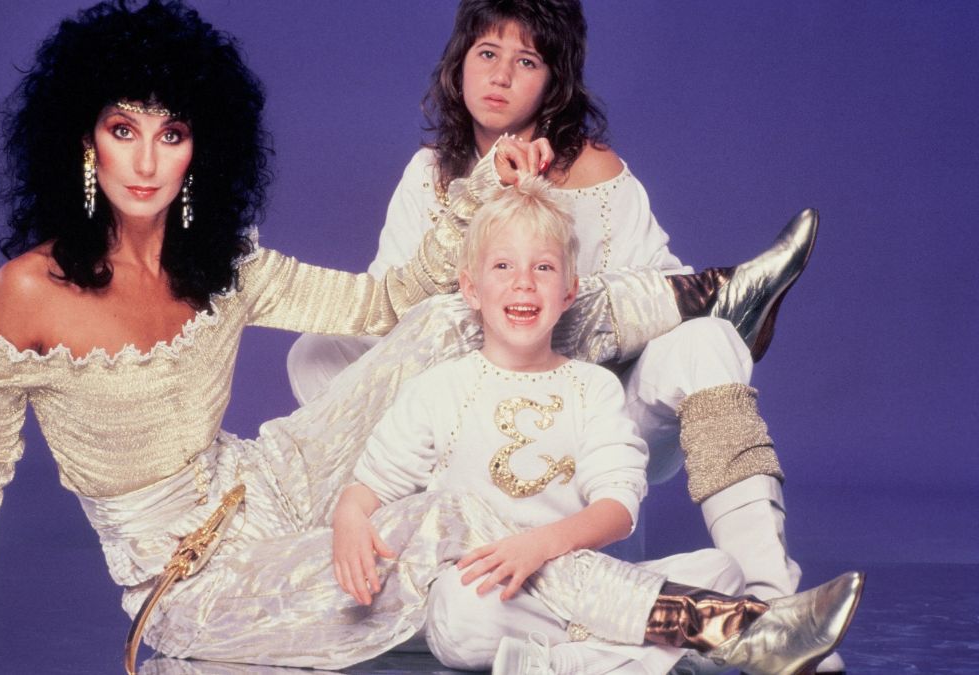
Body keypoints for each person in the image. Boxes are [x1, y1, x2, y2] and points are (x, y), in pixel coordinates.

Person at [0, 1, 843, 673]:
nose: (146, 160)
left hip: (271, 481)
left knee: (449, 314)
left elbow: (380, 302)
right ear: (81, 139)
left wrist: (487, 187)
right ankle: (735, 629)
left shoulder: (224, 259)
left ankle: (711, 294)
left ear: (197, 148)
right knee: (453, 514)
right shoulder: (25, 294)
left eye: (172, 134)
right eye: (122, 129)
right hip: (189, 579)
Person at [287, 3, 834, 668]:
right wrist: (486, 208)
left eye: (527, 61)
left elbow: (644, 303)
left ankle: (774, 610)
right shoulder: (429, 174)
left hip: (587, 420)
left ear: (555, 81)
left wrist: (551, 220)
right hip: (465, 423)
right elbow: (394, 314)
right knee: (318, 355)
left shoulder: (598, 175)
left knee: (710, 341)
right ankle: (688, 619)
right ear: (459, 61)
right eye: (487, 53)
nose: (501, 76)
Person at [332, 179, 862, 675]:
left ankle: (565, 659)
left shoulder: (592, 388)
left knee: (722, 571)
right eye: (502, 267)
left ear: (569, 291)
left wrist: (538, 547)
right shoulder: (437, 388)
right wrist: (349, 522)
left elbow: (617, 509)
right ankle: (709, 633)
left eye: (543, 268)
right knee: (457, 613)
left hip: (575, 576)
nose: (523, 282)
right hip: (492, 595)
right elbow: (368, 489)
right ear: (470, 288)